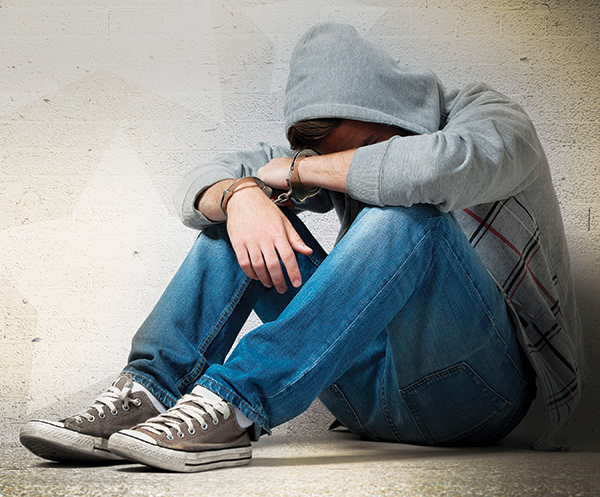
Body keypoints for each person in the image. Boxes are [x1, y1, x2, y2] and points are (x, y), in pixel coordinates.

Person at [20, 23, 583, 472]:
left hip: (473, 395)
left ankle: (235, 403)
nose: (353, 166)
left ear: (394, 111)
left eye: (366, 146)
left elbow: (436, 171)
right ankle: (147, 389)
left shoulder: (490, 120)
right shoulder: (310, 158)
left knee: (409, 217)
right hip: (363, 394)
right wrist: (244, 196)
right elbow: (200, 182)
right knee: (237, 225)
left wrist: (300, 172)